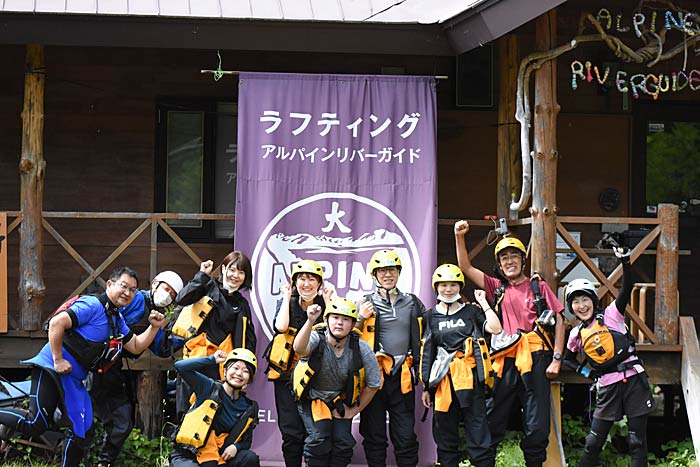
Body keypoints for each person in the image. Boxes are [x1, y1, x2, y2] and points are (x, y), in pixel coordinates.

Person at [0, 267, 167, 467]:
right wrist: (58, 359)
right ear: (110, 285)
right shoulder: (92, 304)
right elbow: (57, 323)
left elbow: (136, 345)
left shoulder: (117, 319)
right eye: (124, 286)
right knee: (36, 423)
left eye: (133, 290)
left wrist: (154, 326)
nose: (128, 293)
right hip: (51, 368)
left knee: (83, 431)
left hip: (74, 378)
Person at [454, 221, 566, 467]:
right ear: (499, 265)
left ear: (522, 260)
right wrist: (459, 236)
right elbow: (465, 267)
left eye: (514, 255)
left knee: (537, 424)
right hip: (504, 356)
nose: (509, 261)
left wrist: (557, 358)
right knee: (493, 417)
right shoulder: (497, 288)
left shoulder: (538, 286)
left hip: (536, 356)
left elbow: (559, 321)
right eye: (504, 258)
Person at [563, 246, 654, 467]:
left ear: (594, 301)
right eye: (576, 302)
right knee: (593, 442)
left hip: (633, 380)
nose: (581, 306)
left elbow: (626, 288)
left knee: (636, 441)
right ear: (571, 307)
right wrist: (587, 372)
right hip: (607, 385)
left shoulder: (612, 315)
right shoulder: (576, 333)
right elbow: (567, 358)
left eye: (585, 300)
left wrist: (625, 261)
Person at [89, 270, 184, 467]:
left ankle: (103, 462)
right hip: (93, 360)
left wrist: (184, 337)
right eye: (166, 289)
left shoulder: (155, 314)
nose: (168, 295)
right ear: (155, 283)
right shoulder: (136, 299)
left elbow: (162, 348)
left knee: (122, 420)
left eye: (173, 295)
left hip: (112, 366)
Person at [420, 264, 503, 467]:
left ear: (460, 286)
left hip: (470, 382)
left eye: (453, 285)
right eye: (444, 285)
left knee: (478, 435)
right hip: (443, 384)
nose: (448, 290)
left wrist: (483, 303)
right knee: (445, 438)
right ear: (436, 287)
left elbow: (496, 328)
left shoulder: (471, 312)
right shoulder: (429, 317)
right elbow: (426, 353)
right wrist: (426, 388)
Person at [355, 249, 425, 467]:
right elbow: (348, 336)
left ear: (398, 273)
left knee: (405, 437)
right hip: (374, 379)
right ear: (374, 275)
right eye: (382, 271)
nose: (388, 275)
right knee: (374, 437)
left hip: (402, 377)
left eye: (392, 271)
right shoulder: (365, 302)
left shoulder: (412, 302)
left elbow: (430, 331)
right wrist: (359, 317)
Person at [292, 297, 381, 467]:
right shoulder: (317, 338)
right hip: (312, 399)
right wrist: (310, 320)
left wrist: (353, 411)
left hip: (338, 400)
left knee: (344, 442)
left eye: (346, 319)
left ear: (353, 324)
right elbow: (299, 349)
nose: (339, 323)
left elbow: (374, 383)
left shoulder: (361, 347)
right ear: (326, 320)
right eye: (335, 317)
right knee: (319, 438)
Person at [264, 259, 332, 467]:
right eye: (301, 279)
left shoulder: (325, 305)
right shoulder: (286, 302)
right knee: (291, 432)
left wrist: (329, 301)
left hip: (315, 379)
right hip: (286, 377)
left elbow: (335, 332)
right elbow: (281, 327)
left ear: (319, 284)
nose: (306, 284)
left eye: (312, 279)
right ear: (294, 282)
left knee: (317, 433)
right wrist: (286, 297)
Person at [175, 251, 256, 415]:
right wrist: (202, 275)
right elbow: (182, 298)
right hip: (197, 359)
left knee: (215, 413)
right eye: (232, 269)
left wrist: (245, 368)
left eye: (241, 272)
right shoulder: (208, 286)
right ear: (224, 268)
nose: (236, 276)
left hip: (222, 365)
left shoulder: (242, 304)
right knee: (189, 411)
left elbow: (249, 340)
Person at [170, 348, 260, 467]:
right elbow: (180, 366)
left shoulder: (248, 407)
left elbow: (246, 441)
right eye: (236, 368)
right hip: (189, 454)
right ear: (225, 370)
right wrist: (212, 359)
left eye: (245, 371)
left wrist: (236, 447)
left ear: (249, 379)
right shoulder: (209, 388)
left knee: (250, 458)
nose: (239, 373)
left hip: (219, 456)